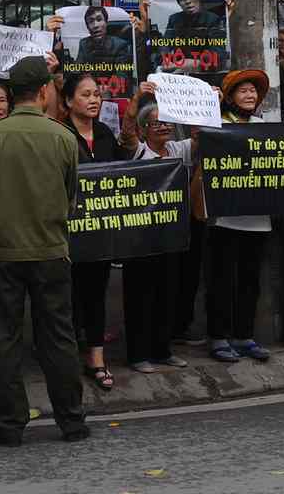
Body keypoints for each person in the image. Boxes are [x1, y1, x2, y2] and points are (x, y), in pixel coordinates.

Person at [0, 55, 90, 447]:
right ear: (43, 91)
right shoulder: (63, 137)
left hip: (4, 252)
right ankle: (71, 421)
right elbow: (71, 198)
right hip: (52, 250)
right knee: (58, 336)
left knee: (4, 337)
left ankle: (11, 425)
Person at [61, 72, 132, 390]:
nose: (93, 100)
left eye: (96, 94)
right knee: (68, 296)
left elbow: (121, 170)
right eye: (85, 94)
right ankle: (66, 355)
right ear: (68, 101)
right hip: (67, 232)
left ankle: (96, 358)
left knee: (95, 294)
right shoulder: (59, 134)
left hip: (99, 231)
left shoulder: (103, 133)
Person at [205, 69, 273, 362]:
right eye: (242, 91)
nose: (249, 95)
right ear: (230, 97)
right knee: (221, 280)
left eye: (253, 91)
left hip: (258, 220)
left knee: (250, 280)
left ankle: (244, 336)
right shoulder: (217, 124)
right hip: (224, 218)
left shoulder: (265, 126)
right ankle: (218, 337)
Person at [120, 93, 190, 372]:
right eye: (154, 123)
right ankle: (138, 355)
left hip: (170, 236)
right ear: (143, 129)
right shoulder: (139, 151)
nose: (162, 127)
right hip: (140, 237)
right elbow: (126, 131)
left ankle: (162, 350)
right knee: (140, 295)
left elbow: (200, 138)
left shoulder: (177, 150)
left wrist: (206, 104)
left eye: (166, 122)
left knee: (167, 293)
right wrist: (137, 96)